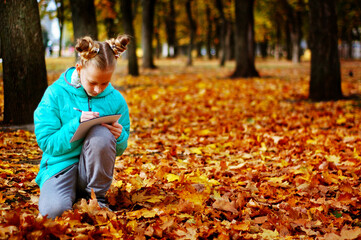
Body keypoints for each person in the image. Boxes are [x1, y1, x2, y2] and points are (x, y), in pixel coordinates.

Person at [34, 35, 131, 219]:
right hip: (59, 169)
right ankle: (68, 196)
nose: (98, 89)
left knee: (102, 133)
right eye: (93, 82)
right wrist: (75, 124)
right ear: (79, 69)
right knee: (54, 213)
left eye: (105, 83)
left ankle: (96, 199)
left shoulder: (116, 99)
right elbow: (47, 143)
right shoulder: (55, 94)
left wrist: (120, 137)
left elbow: (118, 150)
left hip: (93, 173)